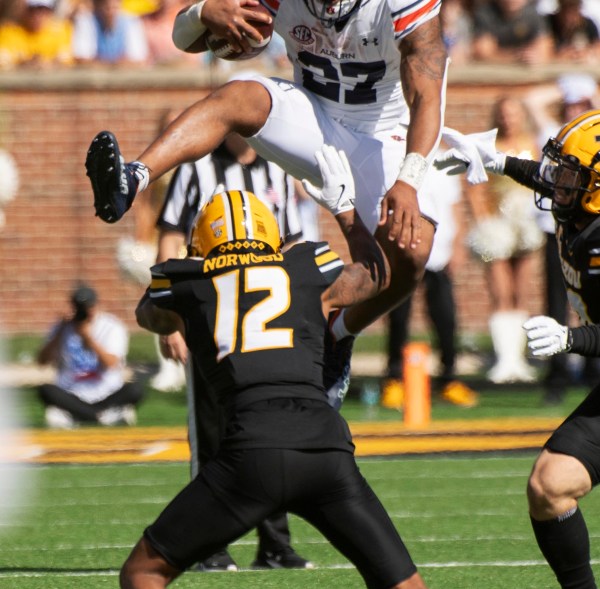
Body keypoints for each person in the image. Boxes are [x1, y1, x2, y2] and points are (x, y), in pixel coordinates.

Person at [84, 0, 449, 409]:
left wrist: (409, 177)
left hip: (384, 135)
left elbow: (427, 94)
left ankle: (338, 333)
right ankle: (132, 178)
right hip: (314, 118)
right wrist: (204, 13)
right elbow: (183, 40)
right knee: (239, 95)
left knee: (410, 253)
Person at [122, 144, 449, 589]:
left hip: (250, 451)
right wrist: (347, 213)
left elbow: (149, 315)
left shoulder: (185, 282)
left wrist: (191, 298)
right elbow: (375, 276)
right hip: (326, 449)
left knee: (143, 574)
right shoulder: (307, 264)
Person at [435, 109, 600, 589]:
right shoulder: (584, 210)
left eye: (571, 175)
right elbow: (543, 177)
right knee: (551, 486)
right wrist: (495, 158)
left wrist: (573, 340)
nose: (557, 183)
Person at [154, 131, 313, 571]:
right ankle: (208, 545)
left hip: (262, 318)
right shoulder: (194, 167)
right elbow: (171, 237)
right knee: (210, 431)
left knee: (270, 426)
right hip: (211, 315)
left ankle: (275, 544)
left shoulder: (276, 168)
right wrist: (172, 318)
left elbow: (291, 243)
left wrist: (295, 310)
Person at [381, 148, 478, 409]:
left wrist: (458, 243)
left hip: (438, 253)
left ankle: (449, 377)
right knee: (399, 317)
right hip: (405, 249)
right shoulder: (396, 154)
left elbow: (454, 206)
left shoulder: (443, 159)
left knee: (445, 317)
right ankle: (394, 377)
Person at [525, 73, 600, 404]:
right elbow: (550, 180)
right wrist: (498, 163)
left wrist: (570, 338)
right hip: (558, 231)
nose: (575, 107)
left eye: (581, 103)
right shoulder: (566, 137)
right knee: (558, 303)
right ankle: (560, 375)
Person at [465, 95, 543, 384]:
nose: (508, 119)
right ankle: (503, 360)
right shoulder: (488, 147)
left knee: (520, 293)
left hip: (525, 227)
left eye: (513, 113)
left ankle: (518, 362)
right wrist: (484, 223)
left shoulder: (533, 143)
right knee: (500, 292)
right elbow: (474, 189)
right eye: (503, 114)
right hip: (497, 228)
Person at [37, 283, 144, 429]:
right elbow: (42, 361)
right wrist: (59, 333)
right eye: (79, 308)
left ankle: (79, 416)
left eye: (87, 307)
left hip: (107, 393)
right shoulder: (62, 327)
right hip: (73, 393)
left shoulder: (112, 326)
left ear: (95, 305)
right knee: (46, 390)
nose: (84, 312)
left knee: (135, 389)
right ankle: (101, 417)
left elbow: (111, 363)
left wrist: (87, 338)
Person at [471, 0, 553, 65]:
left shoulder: (533, 14)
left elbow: (545, 47)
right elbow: (482, 52)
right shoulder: (485, 14)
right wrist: (516, 57)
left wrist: (534, 56)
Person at [0, 0, 73, 70]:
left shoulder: (61, 31)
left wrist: (46, 63)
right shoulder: (9, 31)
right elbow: (3, 60)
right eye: (33, 10)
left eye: (43, 10)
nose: (38, 16)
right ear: (24, 11)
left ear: (50, 12)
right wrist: (23, 64)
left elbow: (65, 61)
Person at [72, 0, 148, 66]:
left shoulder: (131, 21)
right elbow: (82, 59)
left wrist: (108, 64)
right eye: (107, 8)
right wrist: (114, 64)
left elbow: (139, 60)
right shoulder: (86, 21)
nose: (111, 12)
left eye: (115, 7)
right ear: (98, 7)